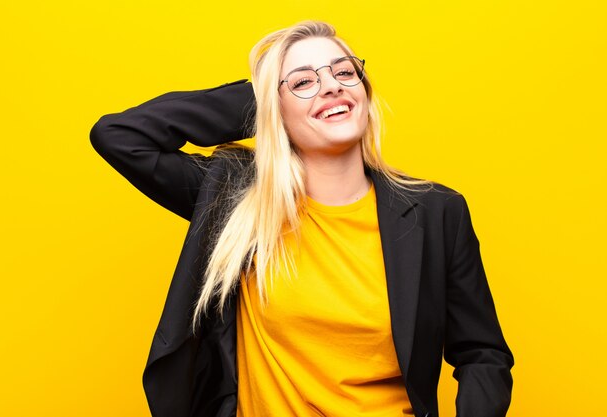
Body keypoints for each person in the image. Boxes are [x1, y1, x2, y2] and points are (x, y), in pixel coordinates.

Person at [90, 20, 513, 417]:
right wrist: (259, 98)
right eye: (304, 81)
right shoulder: (238, 200)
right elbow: (121, 137)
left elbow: (483, 354)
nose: (330, 86)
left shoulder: (436, 212)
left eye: (344, 72)